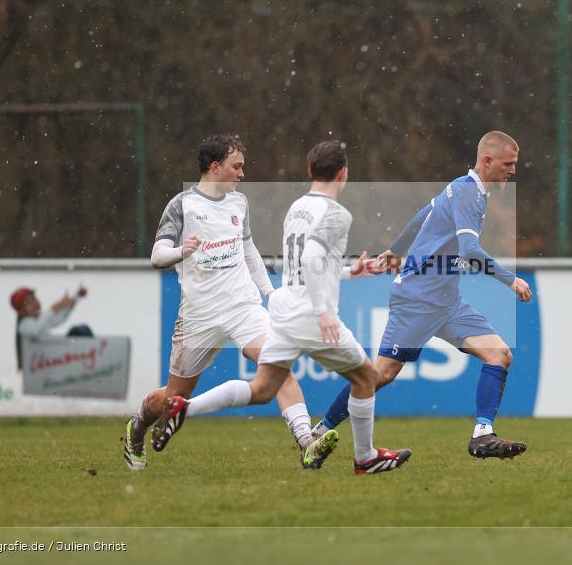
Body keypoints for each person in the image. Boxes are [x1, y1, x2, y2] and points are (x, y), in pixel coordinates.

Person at [152, 140, 412, 474]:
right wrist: (322, 311)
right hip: (308, 314)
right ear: (343, 174)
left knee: (262, 388)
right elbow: (313, 258)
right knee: (367, 376)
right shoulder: (336, 214)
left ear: (309, 172)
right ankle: (365, 458)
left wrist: (351, 271)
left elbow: (303, 266)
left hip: (285, 310)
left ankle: (183, 409)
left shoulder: (298, 208)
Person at [311, 131, 532, 459]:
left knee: (499, 354)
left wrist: (395, 249)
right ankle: (319, 432)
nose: (513, 171)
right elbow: (470, 249)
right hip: (417, 299)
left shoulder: (463, 187)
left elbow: (422, 215)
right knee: (378, 375)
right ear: (487, 161)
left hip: (447, 301)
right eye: (508, 164)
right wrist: (510, 280)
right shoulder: (468, 192)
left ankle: (483, 435)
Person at [123, 134, 330, 471]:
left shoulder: (239, 203)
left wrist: (270, 293)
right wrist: (181, 252)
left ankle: (307, 442)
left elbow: (248, 251)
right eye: (236, 167)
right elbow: (157, 256)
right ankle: (137, 428)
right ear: (214, 166)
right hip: (199, 316)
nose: (242, 174)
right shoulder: (182, 205)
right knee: (175, 398)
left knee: (278, 365)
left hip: (243, 306)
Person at [11, 286, 93, 370]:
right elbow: (36, 330)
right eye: (28, 302)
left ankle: (93, 364)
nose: (35, 303)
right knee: (79, 333)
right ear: (20, 311)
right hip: (42, 369)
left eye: (34, 299)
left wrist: (76, 297)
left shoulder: (39, 319)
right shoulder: (24, 325)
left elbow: (62, 317)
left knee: (81, 329)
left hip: (53, 362)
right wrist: (55, 307)